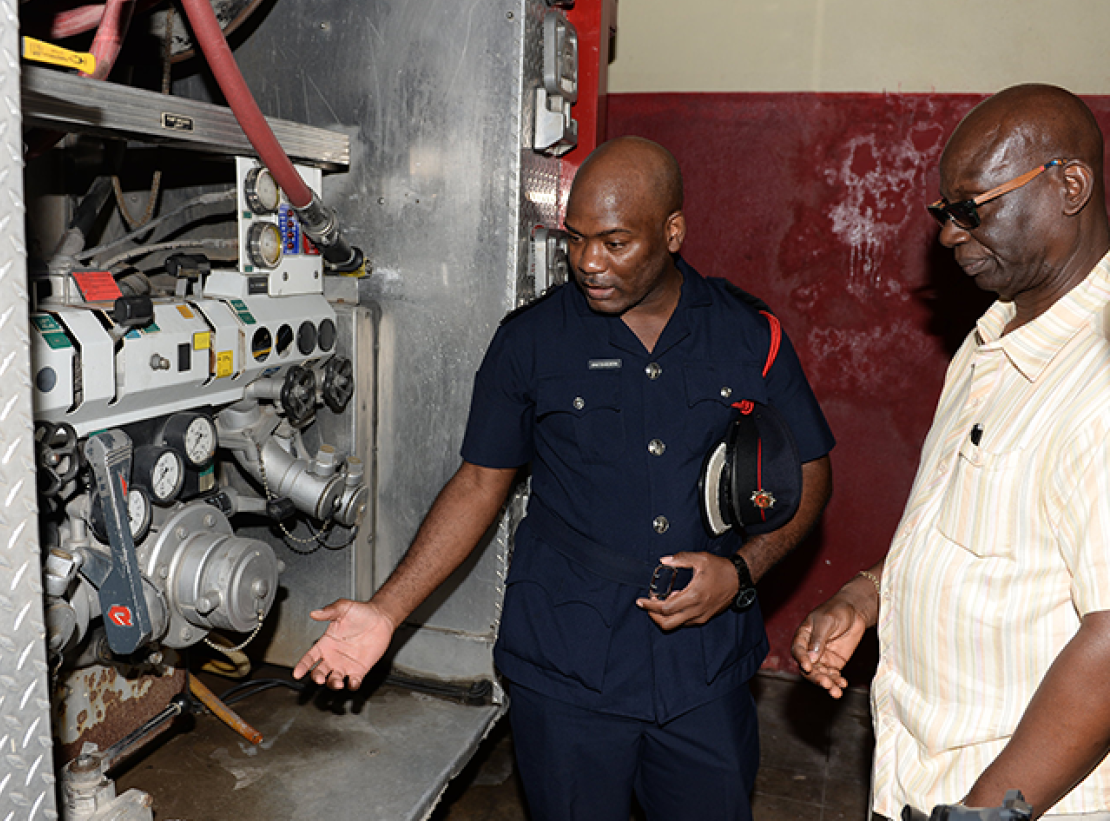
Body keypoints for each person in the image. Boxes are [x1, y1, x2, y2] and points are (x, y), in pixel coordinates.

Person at [296, 136, 835, 821]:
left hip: (703, 670)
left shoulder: (748, 334)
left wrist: (743, 572)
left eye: (614, 242)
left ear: (673, 233)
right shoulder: (531, 342)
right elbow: (478, 484)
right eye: (574, 240)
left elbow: (810, 470)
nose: (588, 263)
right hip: (569, 665)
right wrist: (386, 610)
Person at [792, 84, 1110, 820]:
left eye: (972, 208)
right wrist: (873, 590)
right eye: (944, 212)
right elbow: (979, 522)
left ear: (1069, 186)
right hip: (923, 781)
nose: (947, 235)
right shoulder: (997, 332)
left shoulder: (1097, 381)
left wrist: (983, 809)